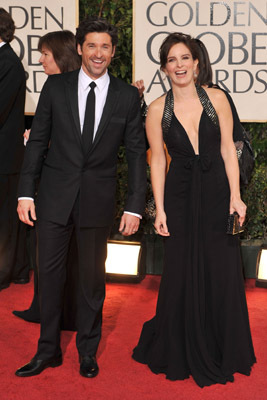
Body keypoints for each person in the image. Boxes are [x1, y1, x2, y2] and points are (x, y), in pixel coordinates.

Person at [15, 16, 147, 378]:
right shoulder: (56, 88)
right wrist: (26, 192)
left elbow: (137, 154)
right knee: (50, 277)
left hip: (97, 201)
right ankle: (48, 351)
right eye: (91, 45)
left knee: (91, 282)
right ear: (79, 48)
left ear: (114, 52)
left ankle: (88, 351)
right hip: (54, 198)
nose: (98, 53)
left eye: (105, 46)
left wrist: (135, 205)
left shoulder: (124, 96)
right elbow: (37, 142)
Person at [132, 32, 256, 387]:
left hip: (217, 190)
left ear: (197, 63)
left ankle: (222, 345)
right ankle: (180, 344)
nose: (179, 65)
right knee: (182, 267)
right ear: (164, 68)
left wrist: (236, 195)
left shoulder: (217, 98)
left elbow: (229, 151)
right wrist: (159, 209)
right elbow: (156, 161)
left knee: (220, 267)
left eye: (184, 58)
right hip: (180, 193)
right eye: (172, 60)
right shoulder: (157, 108)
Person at [13, 30, 81, 327]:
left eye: (45, 55)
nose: (40, 60)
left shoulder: (72, 88)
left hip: (65, 184)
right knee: (48, 252)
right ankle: (43, 307)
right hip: (48, 182)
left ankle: (59, 312)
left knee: (65, 254)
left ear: (61, 57)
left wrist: (37, 141)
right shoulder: (54, 86)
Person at [0, 8, 28, 291]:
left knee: (5, 220)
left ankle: (4, 272)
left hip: (5, 157)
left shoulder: (7, 62)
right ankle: (18, 270)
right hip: (5, 156)